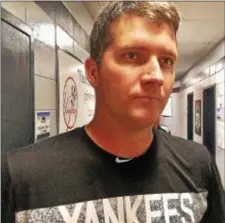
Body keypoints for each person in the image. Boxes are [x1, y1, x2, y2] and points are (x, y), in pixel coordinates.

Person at [2, 2, 225, 222]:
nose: (156, 76)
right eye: (132, 55)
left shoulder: (197, 164)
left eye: (166, 60)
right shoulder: (23, 176)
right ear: (93, 72)